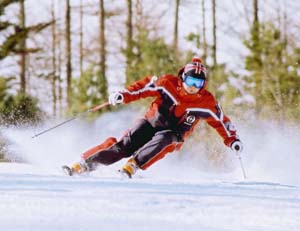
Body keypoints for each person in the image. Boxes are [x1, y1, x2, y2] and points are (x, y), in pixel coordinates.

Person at [63, 57, 243, 178]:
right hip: (151, 121)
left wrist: (232, 139)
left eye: (199, 83)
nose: (193, 87)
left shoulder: (206, 102)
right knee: (124, 146)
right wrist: (123, 94)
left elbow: (222, 122)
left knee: (165, 138)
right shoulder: (167, 84)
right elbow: (143, 87)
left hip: (175, 133)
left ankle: (134, 164)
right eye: (190, 81)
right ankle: (85, 164)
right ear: (182, 78)